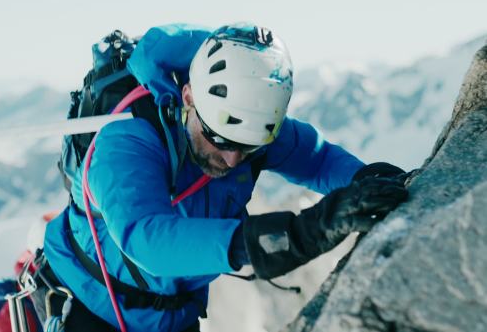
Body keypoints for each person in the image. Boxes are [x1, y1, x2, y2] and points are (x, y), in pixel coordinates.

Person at [39, 23, 409, 332]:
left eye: (247, 148)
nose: (232, 159)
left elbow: (317, 160)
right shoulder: (126, 140)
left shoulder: (244, 122)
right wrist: (295, 236)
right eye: (219, 140)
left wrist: (370, 178)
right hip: (92, 305)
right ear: (188, 98)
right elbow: (147, 238)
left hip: (174, 313)